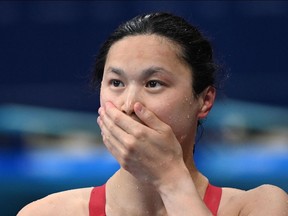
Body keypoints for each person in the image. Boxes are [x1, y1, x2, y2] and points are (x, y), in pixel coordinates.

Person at [17, 12, 288, 216]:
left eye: (153, 84)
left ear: (205, 100)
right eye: (116, 83)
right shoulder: (46, 213)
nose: (129, 105)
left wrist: (169, 178)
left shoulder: (259, 206)